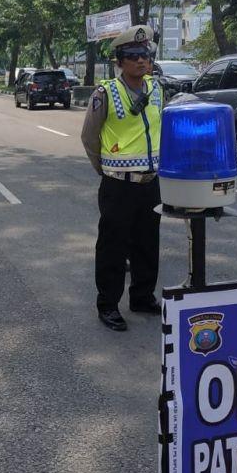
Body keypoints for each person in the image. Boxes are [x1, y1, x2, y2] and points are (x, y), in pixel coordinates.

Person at [80, 25, 164, 332]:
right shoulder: (105, 93)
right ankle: (108, 305)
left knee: (147, 244)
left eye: (146, 55)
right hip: (117, 184)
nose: (142, 61)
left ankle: (142, 296)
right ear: (120, 61)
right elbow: (89, 136)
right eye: (133, 56)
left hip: (150, 182)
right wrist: (105, 170)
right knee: (113, 247)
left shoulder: (157, 89)